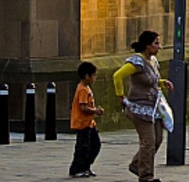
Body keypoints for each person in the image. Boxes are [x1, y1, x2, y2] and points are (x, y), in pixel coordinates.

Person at [113, 30, 173, 182]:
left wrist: (162, 82)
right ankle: (146, 176)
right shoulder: (137, 62)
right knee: (148, 141)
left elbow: (151, 80)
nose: (159, 47)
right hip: (139, 108)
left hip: (154, 107)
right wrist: (121, 95)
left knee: (157, 139)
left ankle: (136, 164)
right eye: (156, 44)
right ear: (147, 46)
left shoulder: (152, 61)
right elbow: (117, 76)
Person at [69, 61, 104, 178]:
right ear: (87, 76)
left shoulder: (86, 88)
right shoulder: (82, 89)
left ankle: (86, 166)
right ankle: (76, 168)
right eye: (93, 75)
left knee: (95, 145)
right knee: (83, 147)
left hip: (89, 123)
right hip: (83, 123)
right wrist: (96, 111)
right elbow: (83, 107)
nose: (95, 78)